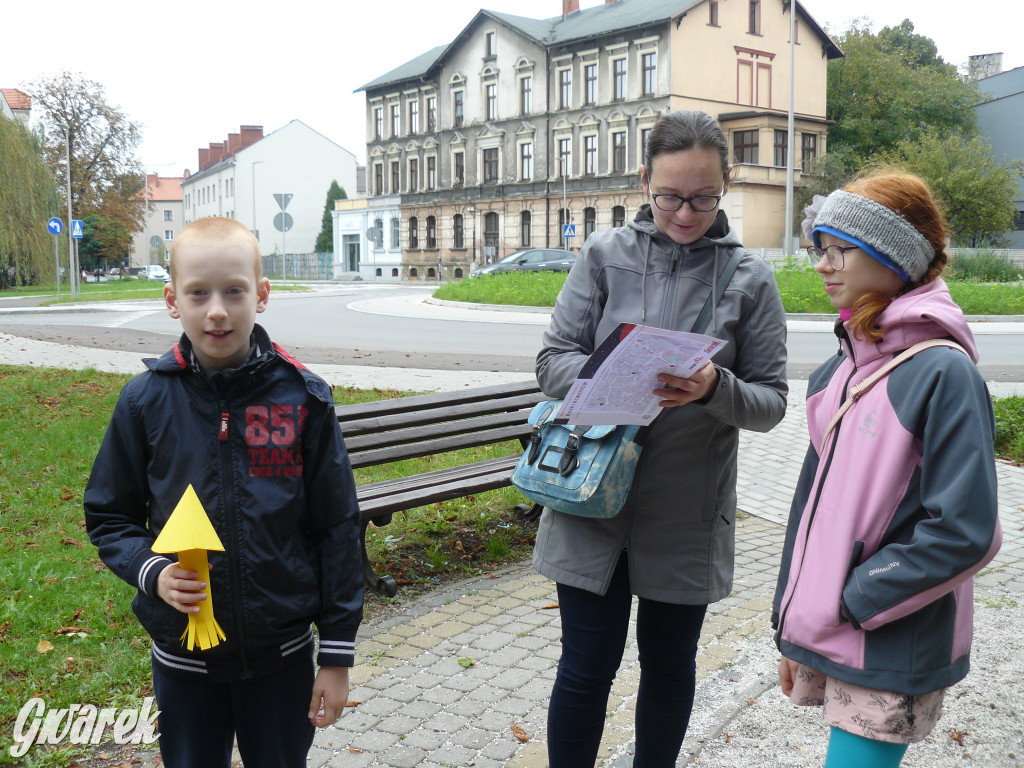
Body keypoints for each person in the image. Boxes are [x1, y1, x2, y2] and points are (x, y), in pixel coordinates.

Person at [533, 109, 789, 767]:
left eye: (704, 197)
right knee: (586, 668)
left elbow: (771, 404)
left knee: (669, 667)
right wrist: (613, 375)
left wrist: (713, 390)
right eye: (671, 195)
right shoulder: (603, 256)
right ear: (644, 179)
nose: (685, 212)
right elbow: (552, 358)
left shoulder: (749, 279)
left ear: (726, 184)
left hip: (687, 510)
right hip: (590, 497)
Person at [84, 217, 363, 768]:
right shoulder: (143, 402)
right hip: (184, 659)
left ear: (260, 295)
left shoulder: (303, 398)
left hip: (281, 658)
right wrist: (153, 573)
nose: (217, 310)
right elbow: (109, 517)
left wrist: (335, 654)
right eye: (198, 293)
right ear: (172, 300)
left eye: (234, 291)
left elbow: (337, 526)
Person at [773, 170, 1002, 767]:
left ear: (893, 254)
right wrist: (801, 622)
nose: (824, 266)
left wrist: (847, 601)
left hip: (893, 636)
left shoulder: (943, 374)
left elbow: (965, 533)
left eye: (839, 250)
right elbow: (812, 513)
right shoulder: (840, 369)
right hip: (837, 626)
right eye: (820, 250)